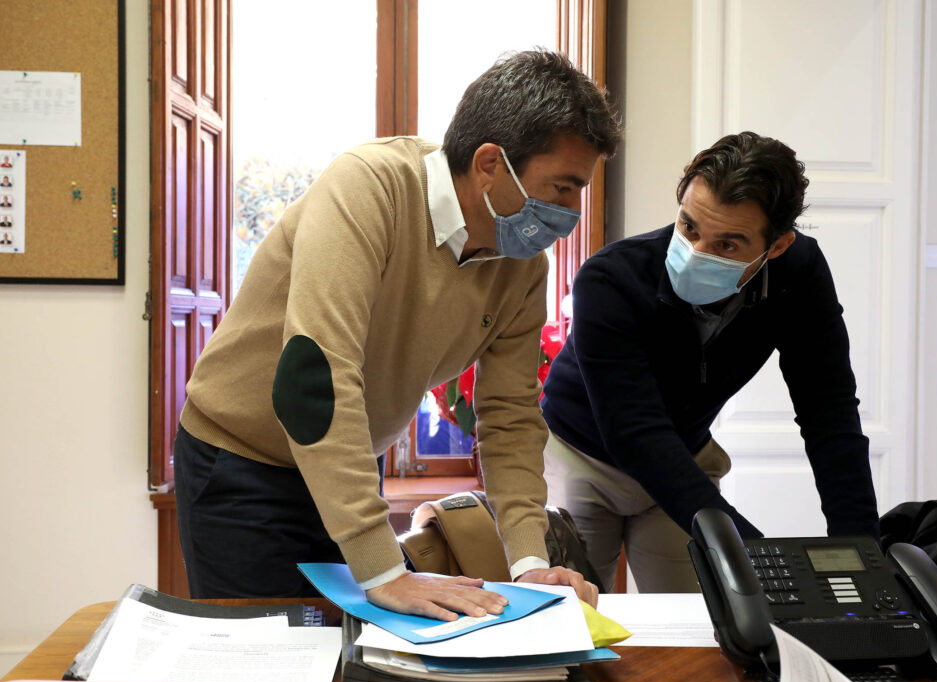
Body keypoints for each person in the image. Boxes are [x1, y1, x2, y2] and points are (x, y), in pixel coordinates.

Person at [175, 50, 622, 619]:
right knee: (270, 652)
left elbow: (510, 415)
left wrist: (530, 561)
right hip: (244, 462)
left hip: (347, 461)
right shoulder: (368, 189)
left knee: (363, 648)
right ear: (490, 163)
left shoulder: (523, 263)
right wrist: (385, 571)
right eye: (562, 187)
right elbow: (315, 381)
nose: (572, 210)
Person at [540, 131, 880, 594]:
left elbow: (830, 411)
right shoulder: (611, 279)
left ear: (777, 246)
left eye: (727, 246)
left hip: (683, 455)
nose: (696, 253)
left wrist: (862, 554)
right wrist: (763, 557)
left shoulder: (798, 274)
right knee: (576, 615)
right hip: (580, 456)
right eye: (689, 226)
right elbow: (636, 434)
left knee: (706, 617)